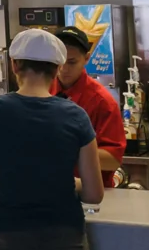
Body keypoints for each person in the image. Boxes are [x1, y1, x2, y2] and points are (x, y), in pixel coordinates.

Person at [0, 29, 105, 250]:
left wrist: (8, 189)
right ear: (58, 69)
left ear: (14, 66)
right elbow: (94, 194)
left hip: (9, 235)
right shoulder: (76, 115)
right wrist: (66, 185)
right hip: (65, 237)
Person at [53, 26, 126, 188]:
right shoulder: (44, 89)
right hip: (49, 189)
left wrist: (61, 152)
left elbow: (112, 160)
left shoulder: (102, 101)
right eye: (59, 62)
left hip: (92, 193)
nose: (64, 69)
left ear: (87, 58)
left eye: (72, 62)